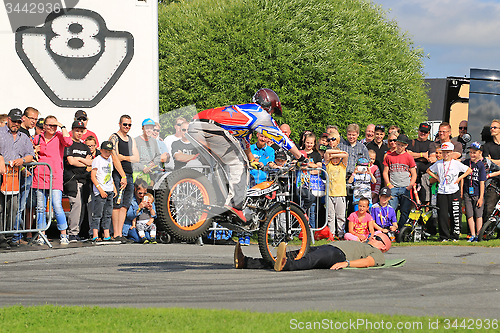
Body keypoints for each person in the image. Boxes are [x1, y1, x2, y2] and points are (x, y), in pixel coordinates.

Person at [189, 88, 305, 222]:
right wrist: (300, 157)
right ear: (268, 106)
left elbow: (244, 142)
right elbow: (281, 137)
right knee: (238, 163)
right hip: (211, 128)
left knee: (220, 167)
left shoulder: (245, 113)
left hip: (194, 127)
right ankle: (234, 205)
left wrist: (252, 159)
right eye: (273, 111)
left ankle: (215, 201)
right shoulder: (261, 114)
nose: (272, 114)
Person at [234, 232, 391, 271]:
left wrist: (347, 263)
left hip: (338, 254)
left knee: (309, 260)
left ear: (383, 246)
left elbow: (369, 262)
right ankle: (246, 262)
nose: (373, 236)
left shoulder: (378, 253)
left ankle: (285, 265)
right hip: (329, 247)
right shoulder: (365, 243)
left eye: (377, 237)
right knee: (294, 254)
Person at [32, 115, 73, 245]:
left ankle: (64, 234)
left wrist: (62, 126)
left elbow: (69, 142)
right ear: (44, 125)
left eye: (54, 126)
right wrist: (34, 150)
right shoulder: (38, 138)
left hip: (55, 175)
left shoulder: (60, 136)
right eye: (49, 125)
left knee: (57, 205)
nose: (52, 128)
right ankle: (41, 234)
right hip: (39, 175)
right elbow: (31, 154)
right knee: (40, 207)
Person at [0, 108, 34, 246]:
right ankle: (1, 238)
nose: (16, 124)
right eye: (14, 121)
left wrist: (23, 161)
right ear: (8, 119)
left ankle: (8, 238)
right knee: (1, 208)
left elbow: (30, 155)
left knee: (13, 207)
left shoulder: (24, 137)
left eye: (19, 122)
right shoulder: (0, 132)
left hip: (14, 177)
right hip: (1, 175)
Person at [427, 142, 472, 242]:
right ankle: (444, 236)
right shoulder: (438, 163)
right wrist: (437, 178)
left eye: (447, 152)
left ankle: (455, 235)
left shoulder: (456, 163)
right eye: (444, 152)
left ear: (451, 152)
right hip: (442, 192)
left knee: (455, 213)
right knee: (442, 214)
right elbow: (428, 170)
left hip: (454, 191)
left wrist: (459, 178)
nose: (445, 154)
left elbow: (468, 170)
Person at [109, 115, 139, 243]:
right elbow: (115, 157)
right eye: (125, 124)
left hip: (129, 174)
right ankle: (115, 233)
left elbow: (136, 157)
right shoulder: (114, 137)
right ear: (120, 124)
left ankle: (120, 233)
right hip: (119, 174)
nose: (127, 127)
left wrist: (124, 157)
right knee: (117, 204)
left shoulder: (131, 139)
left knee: (125, 205)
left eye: (129, 125)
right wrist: (122, 175)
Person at [63, 121, 92, 242]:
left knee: (84, 207)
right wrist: (82, 160)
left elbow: (90, 163)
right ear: (72, 130)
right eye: (77, 130)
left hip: (84, 179)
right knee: (76, 205)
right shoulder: (69, 144)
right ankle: (72, 233)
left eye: (81, 131)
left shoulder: (85, 146)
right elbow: (71, 161)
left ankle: (79, 232)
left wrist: (78, 160)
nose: (79, 133)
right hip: (71, 179)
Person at [383, 134, 417, 228]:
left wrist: (409, 186)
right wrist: (389, 184)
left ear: (406, 146)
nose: (399, 147)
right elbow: (385, 172)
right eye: (398, 144)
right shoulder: (389, 156)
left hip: (405, 188)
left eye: (402, 145)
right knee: (391, 210)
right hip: (393, 187)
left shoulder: (409, 157)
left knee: (405, 210)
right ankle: (390, 229)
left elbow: (414, 174)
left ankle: (401, 230)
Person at [90, 141, 117, 242]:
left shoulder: (110, 159)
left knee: (108, 213)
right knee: (98, 214)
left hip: (109, 189)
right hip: (100, 190)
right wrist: (100, 189)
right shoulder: (97, 160)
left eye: (109, 151)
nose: (108, 153)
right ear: (101, 150)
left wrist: (113, 186)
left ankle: (107, 234)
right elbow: (93, 176)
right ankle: (95, 235)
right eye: (106, 151)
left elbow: (109, 174)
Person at [461, 142, 486, 242]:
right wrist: (462, 191)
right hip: (467, 193)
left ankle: (479, 234)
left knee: (478, 215)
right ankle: (472, 234)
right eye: (470, 152)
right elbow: (463, 177)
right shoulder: (466, 163)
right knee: (469, 215)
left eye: (474, 152)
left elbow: (482, 182)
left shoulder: (481, 165)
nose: (472, 154)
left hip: (477, 193)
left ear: (480, 153)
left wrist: (481, 197)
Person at [133, 118, 167, 185]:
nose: (149, 130)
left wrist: (154, 163)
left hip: (150, 175)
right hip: (138, 174)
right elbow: (132, 160)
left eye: (151, 128)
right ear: (142, 128)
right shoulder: (135, 140)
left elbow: (158, 155)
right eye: (147, 128)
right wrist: (143, 168)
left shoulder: (153, 141)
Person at [324, 147, 348, 239]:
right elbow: (327, 152)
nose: (334, 160)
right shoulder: (328, 165)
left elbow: (346, 155)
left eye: (337, 158)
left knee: (340, 216)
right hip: (330, 194)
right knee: (330, 216)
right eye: (333, 158)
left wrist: (335, 154)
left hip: (340, 194)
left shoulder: (342, 166)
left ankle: (341, 234)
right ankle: (332, 234)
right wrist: (331, 156)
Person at [123, 179, 157, 243]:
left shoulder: (148, 198)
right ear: (135, 189)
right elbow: (130, 216)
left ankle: (135, 238)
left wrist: (150, 209)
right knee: (139, 238)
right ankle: (130, 237)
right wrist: (139, 208)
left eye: (144, 193)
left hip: (145, 224)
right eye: (140, 193)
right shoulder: (131, 199)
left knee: (149, 238)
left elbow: (154, 215)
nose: (142, 195)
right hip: (132, 225)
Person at [407, 123, 432, 203]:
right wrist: (422, 155)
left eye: (425, 132)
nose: (423, 133)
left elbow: (431, 158)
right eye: (421, 131)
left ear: (428, 133)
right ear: (418, 131)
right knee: (413, 199)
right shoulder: (412, 142)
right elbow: (408, 155)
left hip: (426, 174)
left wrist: (415, 156)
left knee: (426, 197)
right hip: (413, 177)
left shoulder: (431, 144)